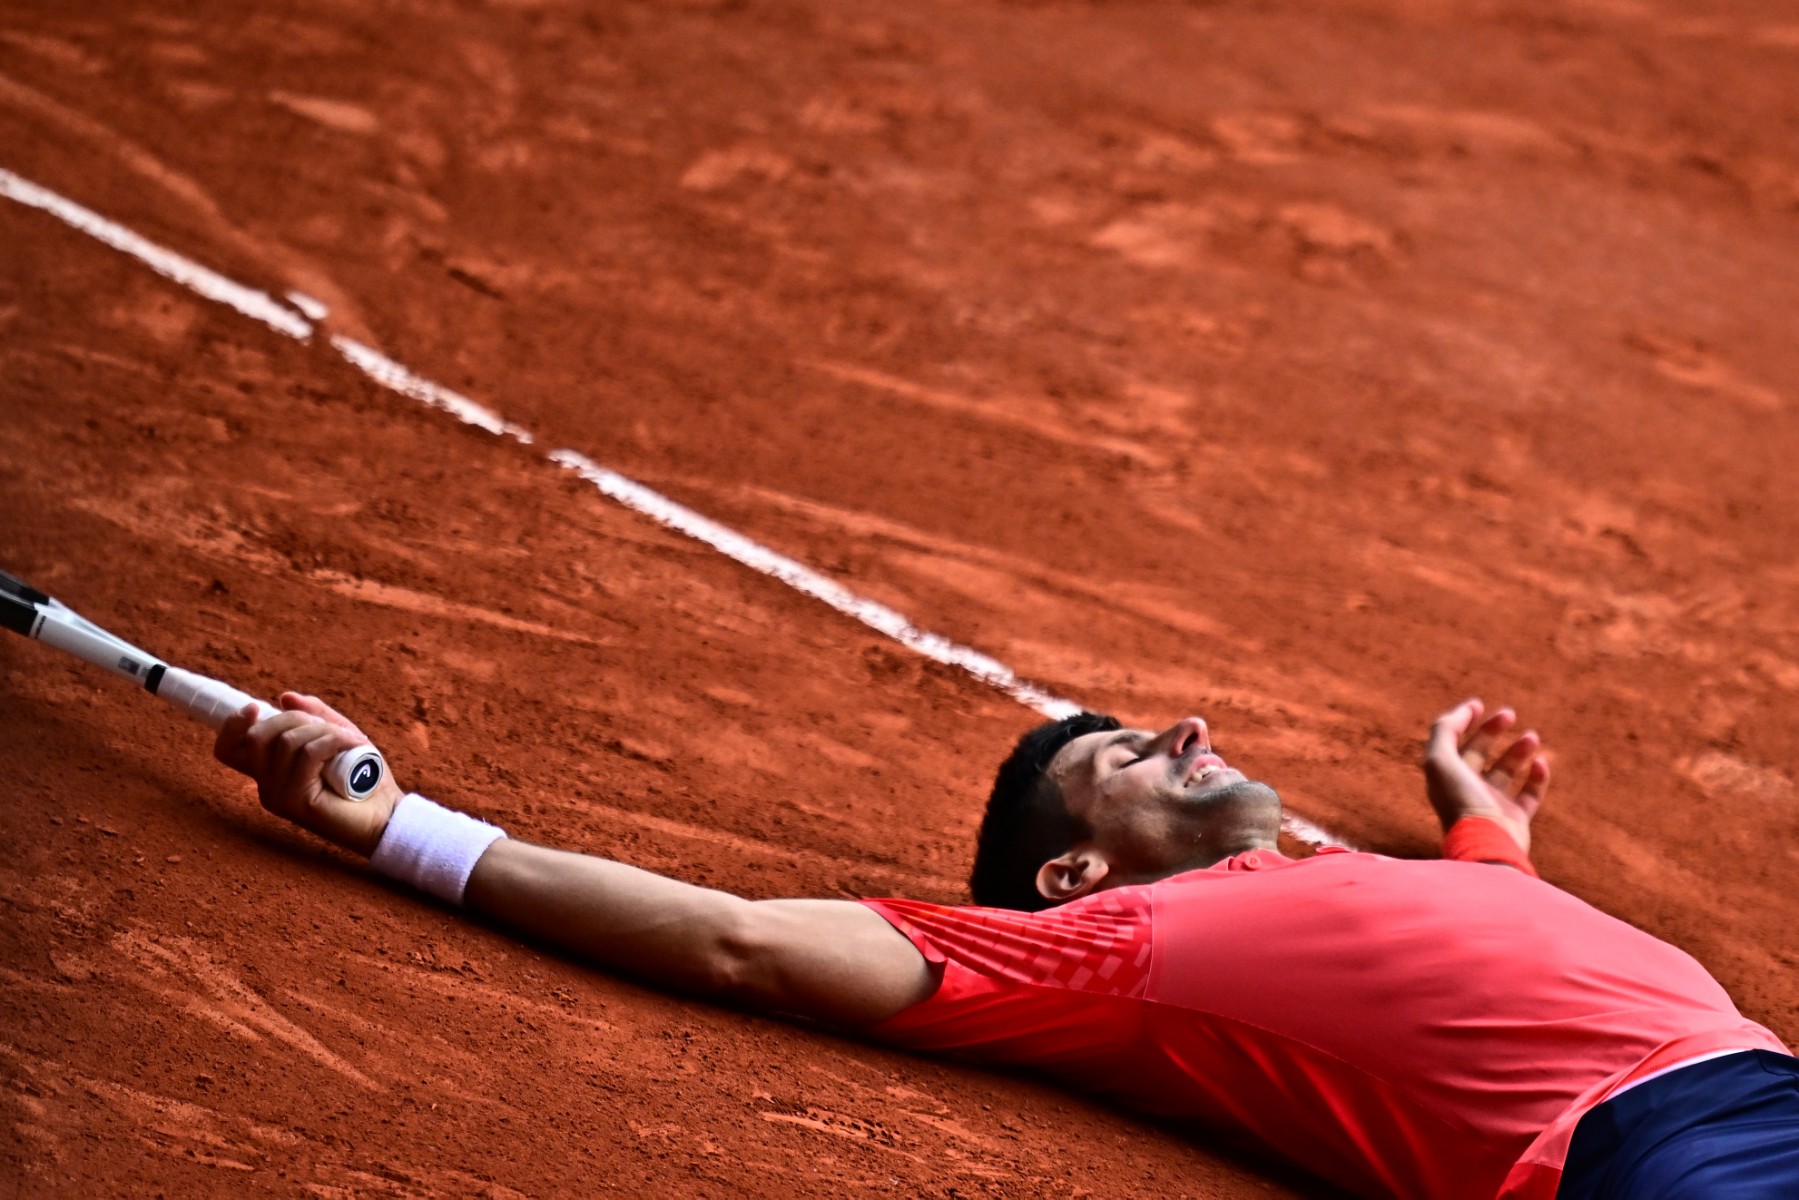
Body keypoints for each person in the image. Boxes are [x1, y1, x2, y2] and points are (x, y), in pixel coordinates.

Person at [213, 693, 1797, 1199]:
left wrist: (1485, 822)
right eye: (1117, 759)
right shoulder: (1132, 944)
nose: (1180, 725)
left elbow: (1490, 927)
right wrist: (403, 829)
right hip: (1660, 1153)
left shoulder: (1395, 871)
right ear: (1075, 865)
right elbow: (741, 945)